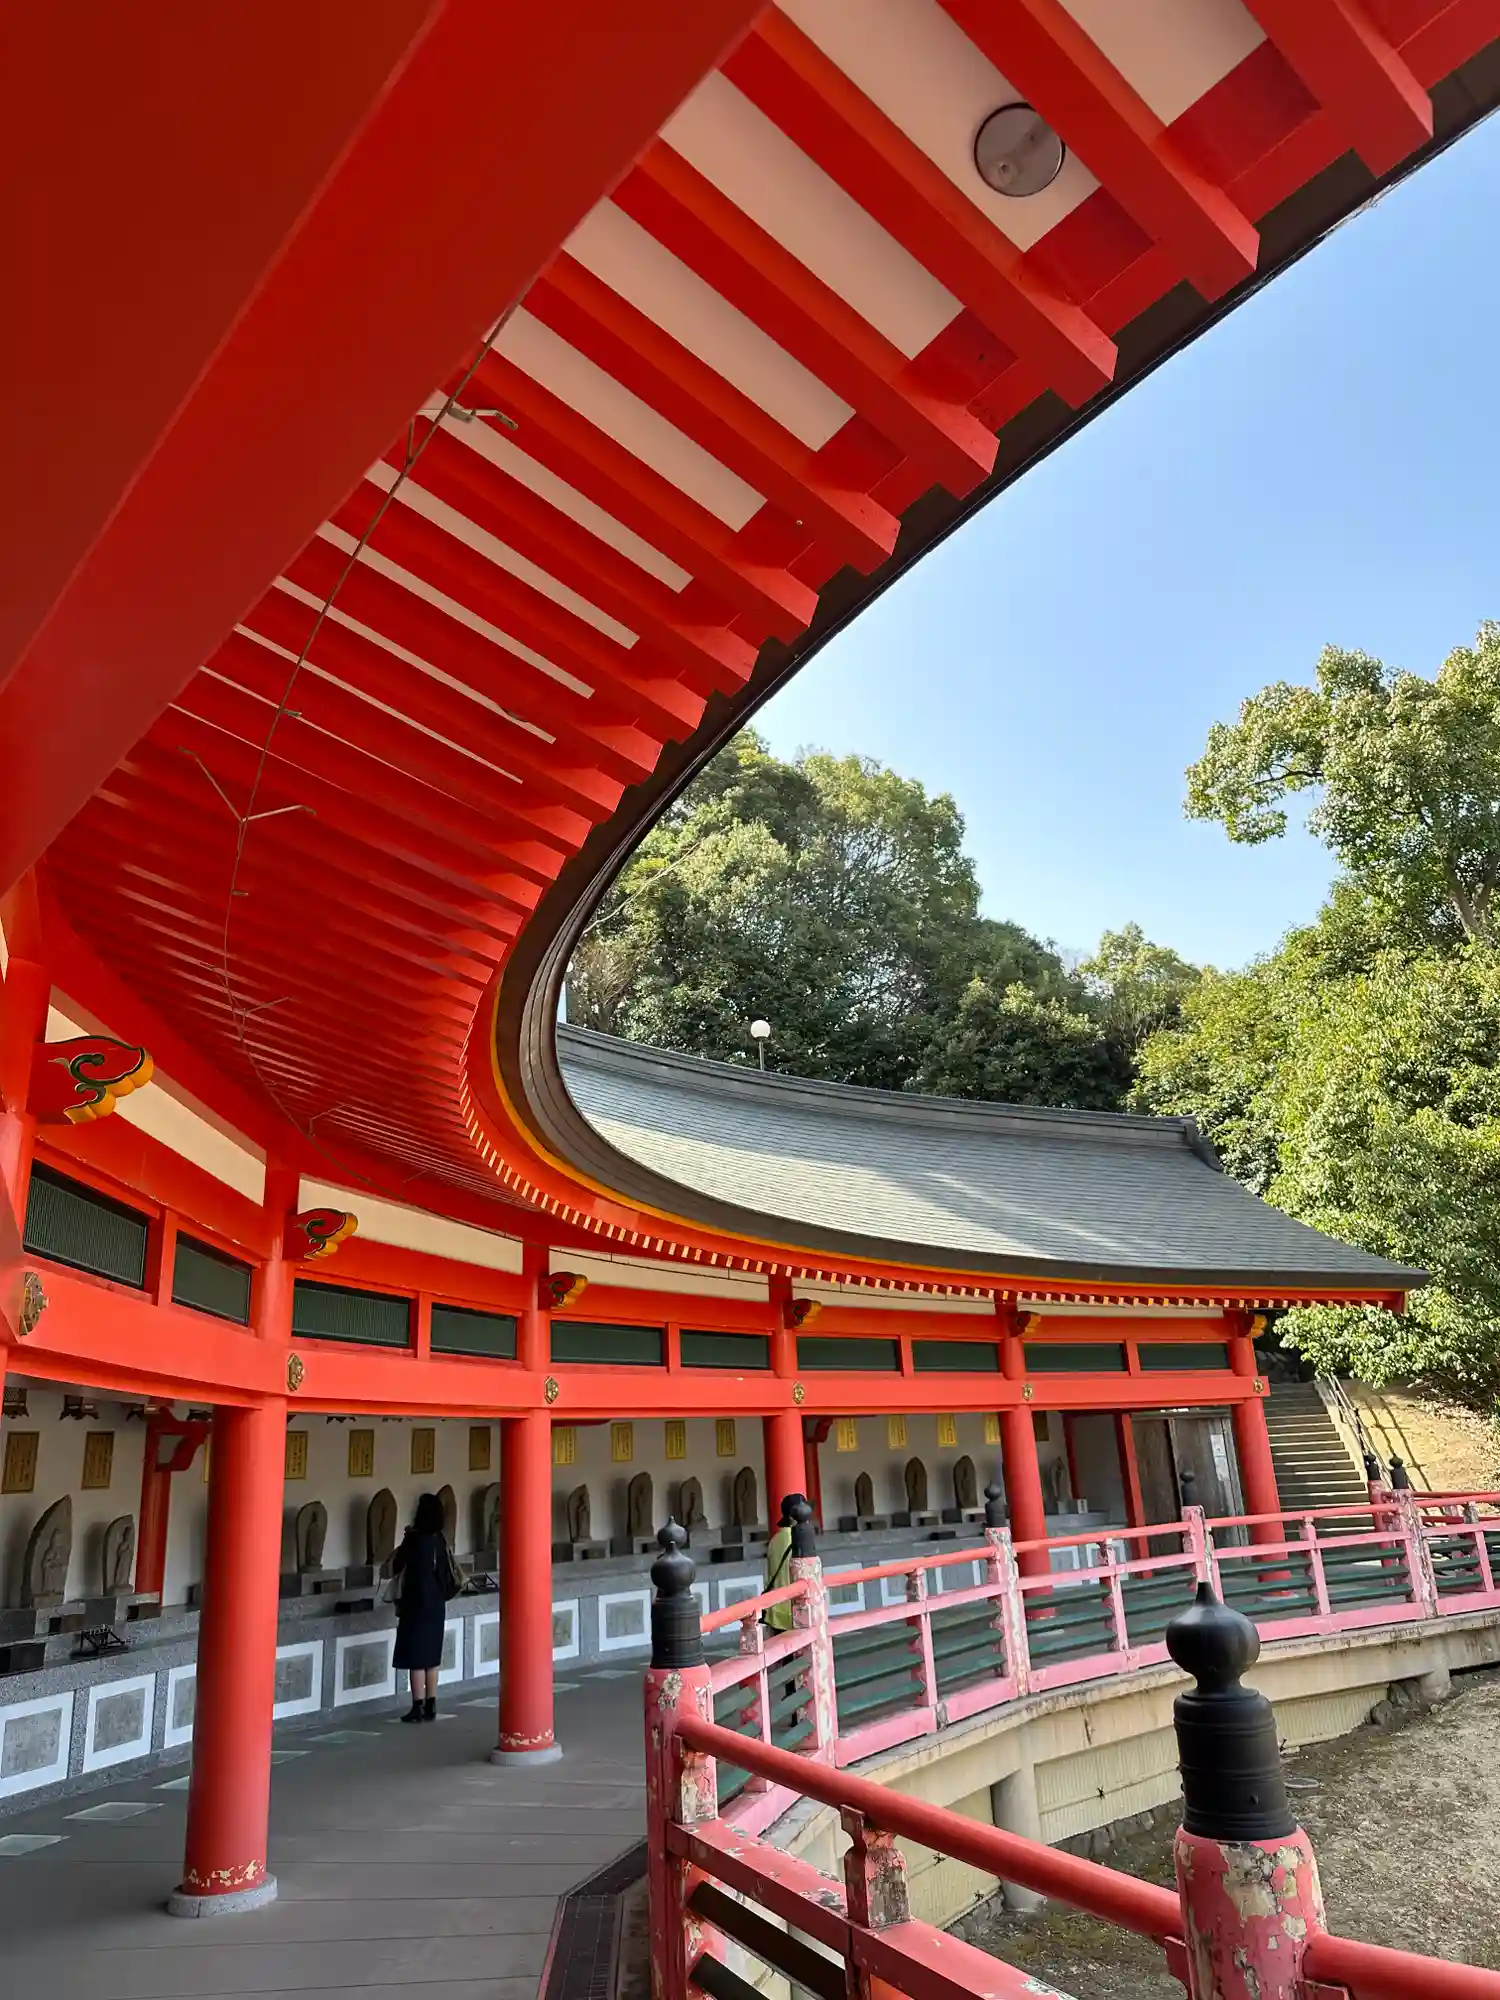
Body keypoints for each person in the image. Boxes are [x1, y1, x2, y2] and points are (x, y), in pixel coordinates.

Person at [392, 1492, 456, 1721]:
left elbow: (396, 1565)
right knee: (431, 1656)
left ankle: (417, 1705)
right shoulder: (440, 1539)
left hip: (415, 1603)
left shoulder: (414, 1539)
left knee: (416, 1657)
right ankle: (431, 1704)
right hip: (436, 1604)